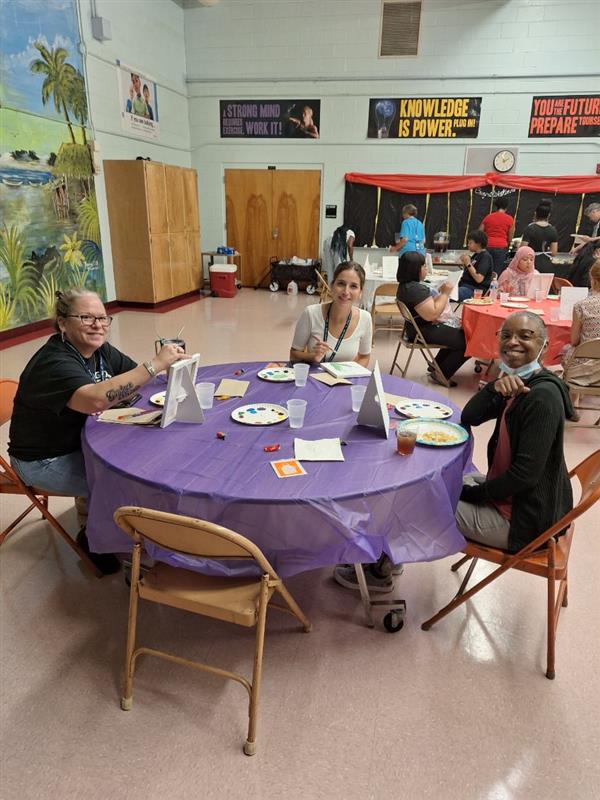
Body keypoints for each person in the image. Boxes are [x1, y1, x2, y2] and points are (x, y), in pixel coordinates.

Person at [8, 289, 186, 574]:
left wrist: (169, 369)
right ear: (63, 323)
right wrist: (154, 364)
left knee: (147, 455)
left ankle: (95, 521)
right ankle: (115, 551)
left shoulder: (99, 350)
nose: (98, 325)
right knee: (132, 482)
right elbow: (96, 399)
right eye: (86, 317)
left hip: (83, 442)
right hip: (44, 461)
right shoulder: (54, 362)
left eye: (103, 318)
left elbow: (135, 381)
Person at [456, 311, 574, 552]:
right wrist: (494, 388)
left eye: (526, 336)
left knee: (421, 501)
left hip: (523, 522)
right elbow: (470, 417)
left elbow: (524, 476)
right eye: (506, 335)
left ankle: (380, 570)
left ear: (544, 344)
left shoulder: (540, 397)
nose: (512, 342)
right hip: (514, 499)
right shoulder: (519, 384)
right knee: (437, 482)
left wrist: (475, 495)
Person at [396, 251, 469, 386]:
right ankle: (442, 373)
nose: (426, 269)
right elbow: (432, 314)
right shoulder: (415, 289)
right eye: (424, 266)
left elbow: (428, 311)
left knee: (459, 333)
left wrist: (441, 295)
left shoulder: (405, 286)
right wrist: (445, 293)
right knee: (469, 340)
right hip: (422, 331)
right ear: (415, 269)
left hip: (414, 328)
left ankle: (437, 367)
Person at [290, 261, 371, 365]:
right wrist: (312, 357)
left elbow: (364, 357)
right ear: (332, 286)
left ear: (360, 292)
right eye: (341, 284)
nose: (346, 292)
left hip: (345, 380)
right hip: (313, 379)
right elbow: (293, 355)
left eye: (353, 286)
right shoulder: (310, 314)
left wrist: (352, 376)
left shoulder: (365, 318)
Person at [561, 259, 600, 387]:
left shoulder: (582, 306)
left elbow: (574, 340)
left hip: (585, 368)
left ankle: (571, 402)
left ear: (593, 280)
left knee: (566, 349)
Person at [479, 195, 514, 275]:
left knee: (485, 270)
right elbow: (510, 237)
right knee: (496, 272)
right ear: (506, 207)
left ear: (496, 206)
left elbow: (479, 232)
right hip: (501, 247)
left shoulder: (488, 217)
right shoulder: (510, 219)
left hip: (488, 246)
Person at [458, 230, 494, 301]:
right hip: (465, 286)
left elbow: (479, 279)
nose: (468, 245)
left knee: (447, 295)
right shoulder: (476, 255)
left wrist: (468, 263)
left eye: (470, 242)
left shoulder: (485, 257)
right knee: (443, 290)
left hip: (475, 290)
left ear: (479, 244)